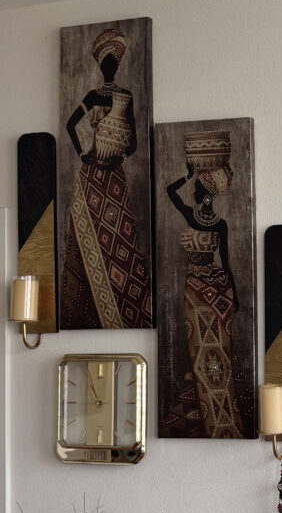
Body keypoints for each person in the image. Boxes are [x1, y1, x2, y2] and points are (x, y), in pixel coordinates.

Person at [61, 27, 151, 328]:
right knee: (85, 237)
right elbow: (70, 124)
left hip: (114, 176)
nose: (110, 65)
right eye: (106, 61)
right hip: (92, 174)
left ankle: (124, 309)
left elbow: (135, 142)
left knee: (119, 237)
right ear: (100, 66)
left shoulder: (126, 96)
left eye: (114, 61)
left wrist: (119, 159)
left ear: (119, 64)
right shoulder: (92, 96)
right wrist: (82, 152)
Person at [165, 155, 245, 438]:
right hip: (196, 290)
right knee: (197, 347)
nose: (195, 192)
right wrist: (187, 175)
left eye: (198, 188)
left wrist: (233, 296)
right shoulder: (191, 215)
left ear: (207, 195)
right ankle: (199, 404)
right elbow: (169, 191)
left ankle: (220, 411)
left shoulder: (219, 225)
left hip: (212, 290)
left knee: (217, 350)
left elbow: (225, 262)